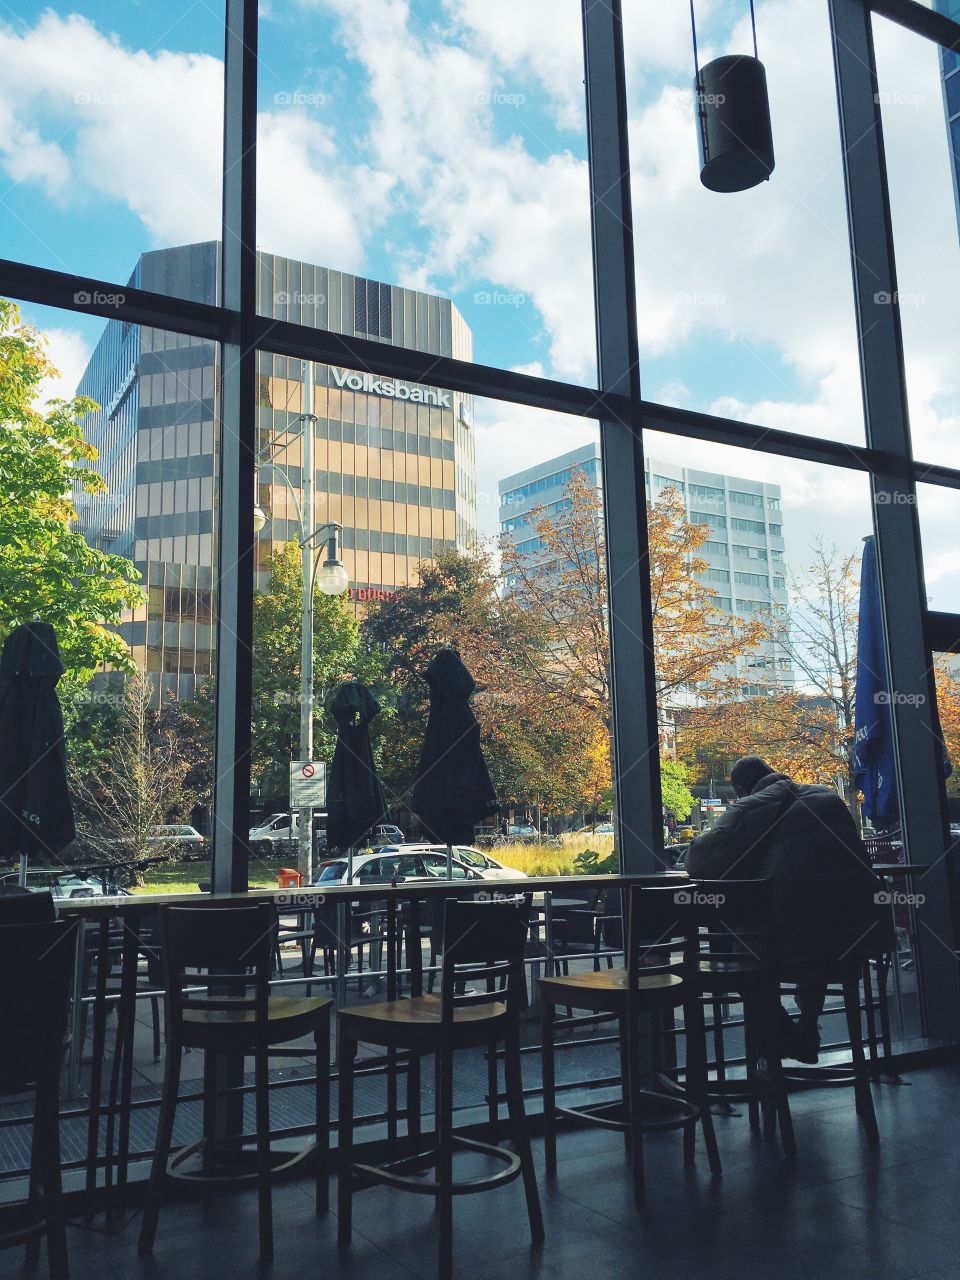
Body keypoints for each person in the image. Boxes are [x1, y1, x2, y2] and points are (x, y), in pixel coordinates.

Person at [685, 755, 874, 1064]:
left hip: (787, 946)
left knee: (743, 961)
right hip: (851, 939)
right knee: (815, 924)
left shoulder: (750, 806)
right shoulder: (828, 797)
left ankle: (782, 1044)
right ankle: (808, 1024)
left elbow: (698, 862)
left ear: (741, 789)